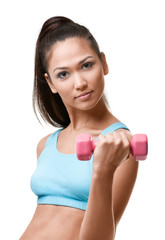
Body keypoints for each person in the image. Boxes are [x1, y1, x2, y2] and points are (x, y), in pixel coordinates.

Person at [20, 16, 139, 240]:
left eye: (86, 65)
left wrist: (102, 170)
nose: (79, 83)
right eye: (63, 74)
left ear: (103, 63)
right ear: (51, 83)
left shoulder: (121, 146)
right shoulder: (45, 145)